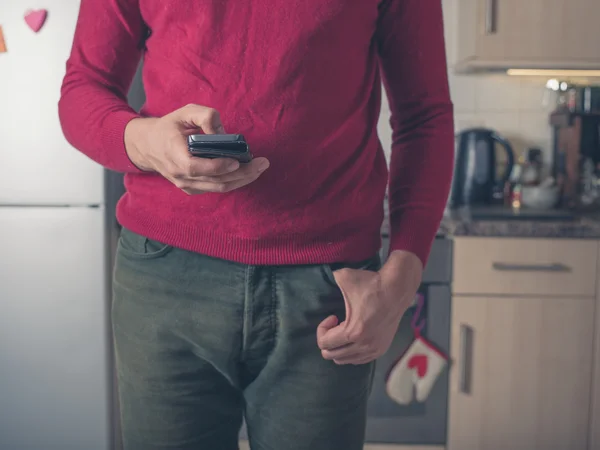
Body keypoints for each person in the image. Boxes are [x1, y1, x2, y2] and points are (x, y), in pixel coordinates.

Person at [59, 0, 454, 448]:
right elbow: (83, 90)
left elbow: (425, 117)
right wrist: (144, 141)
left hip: (326, 287)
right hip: (163, 277)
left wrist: (403, 280)